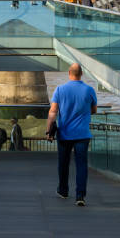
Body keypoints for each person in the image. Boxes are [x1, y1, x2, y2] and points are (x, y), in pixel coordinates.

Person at [46, 63, 97, 206]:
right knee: (82, 165)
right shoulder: (89, 90)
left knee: (63, 163)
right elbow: (94, 110)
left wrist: (48, 129)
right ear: (81, 74)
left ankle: (63, 190)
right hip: (82, 134)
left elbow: (53, 111)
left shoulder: (60, 89)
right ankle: (80, 196)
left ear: (69, 73)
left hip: (64, 133)